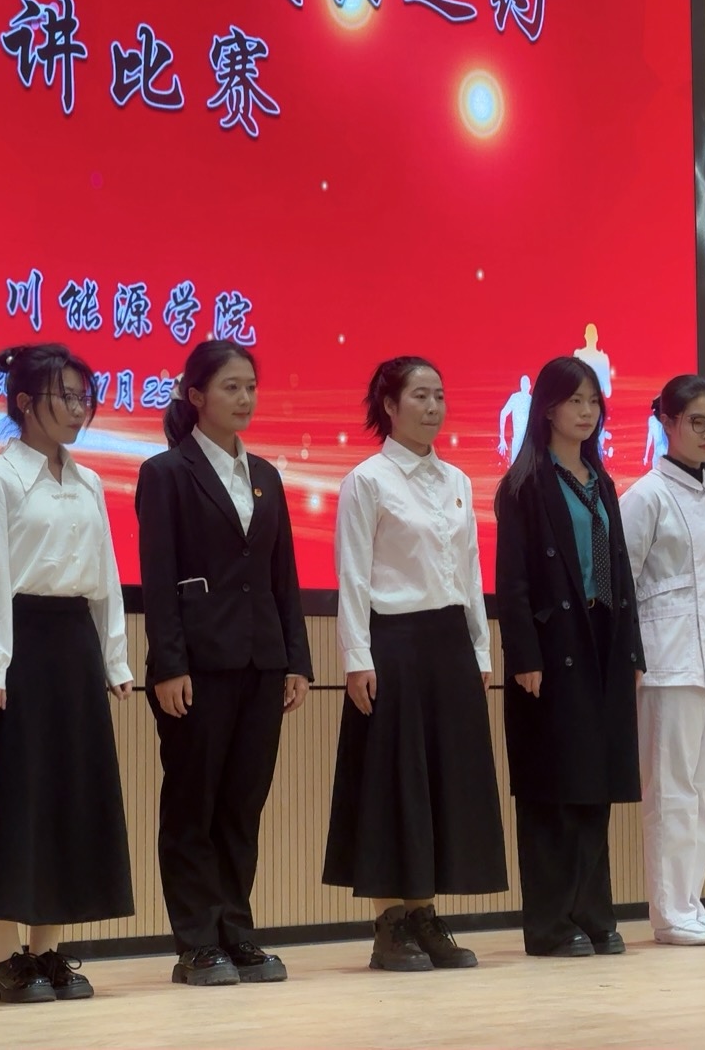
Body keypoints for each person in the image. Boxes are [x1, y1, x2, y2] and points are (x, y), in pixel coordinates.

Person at [0, 343, 136, 1002]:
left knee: (65, 799)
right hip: (17, 648)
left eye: (85, 397)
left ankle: (49, 952)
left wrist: (114, 656)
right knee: (16, 800)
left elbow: (104, 575)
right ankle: (7, 960)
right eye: (66, 396)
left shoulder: (89, 482)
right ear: (25, 402)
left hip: (73, 647)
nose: (79, 409)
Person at [136, 340, 312, 985]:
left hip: (261, 660)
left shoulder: (265, 474)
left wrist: (296, 660)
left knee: (242, 804)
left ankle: (237, 932)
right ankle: (196, 941)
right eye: (231, 387)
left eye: (251, 387)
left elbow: (282, 576)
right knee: (193, 803)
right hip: (197, 665)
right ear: (196, 396)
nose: (244, 398)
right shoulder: (167, 472)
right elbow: (158, 579)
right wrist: (168, 665)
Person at [324, 356, 507, 971]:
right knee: (392, 781)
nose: (433, 407)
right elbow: (352, 575)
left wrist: (479, 649)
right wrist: (356, 657)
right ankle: (390, 923)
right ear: (389, 406)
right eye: (420, 396)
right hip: (393, 643)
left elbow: (471, 571)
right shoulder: (367, 480)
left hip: (449, 642)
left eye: (440, 395)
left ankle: (425, 915)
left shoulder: (457, 480)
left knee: (442, 781)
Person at [495, 356, 644, 957]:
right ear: (548, 408)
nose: (587, 412)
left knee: (594, 787)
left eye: (594, 402)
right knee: (553, 789)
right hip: (552, 650)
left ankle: (593, 912)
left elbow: (622, 574)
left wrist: (632, 651)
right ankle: (551, 923)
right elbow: (512, 581)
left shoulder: (600, 480)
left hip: (603, 643)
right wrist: (523, 654)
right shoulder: (526, 484)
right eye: (575, 401)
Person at [619, 375, 705, 946]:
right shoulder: (644, 496)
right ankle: (669, 911)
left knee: (704, 789)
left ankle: (691, 902)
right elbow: (621, 584)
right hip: (668, 658)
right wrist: (631, 657)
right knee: (670, 789)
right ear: (667, 422)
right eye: (696, 421)